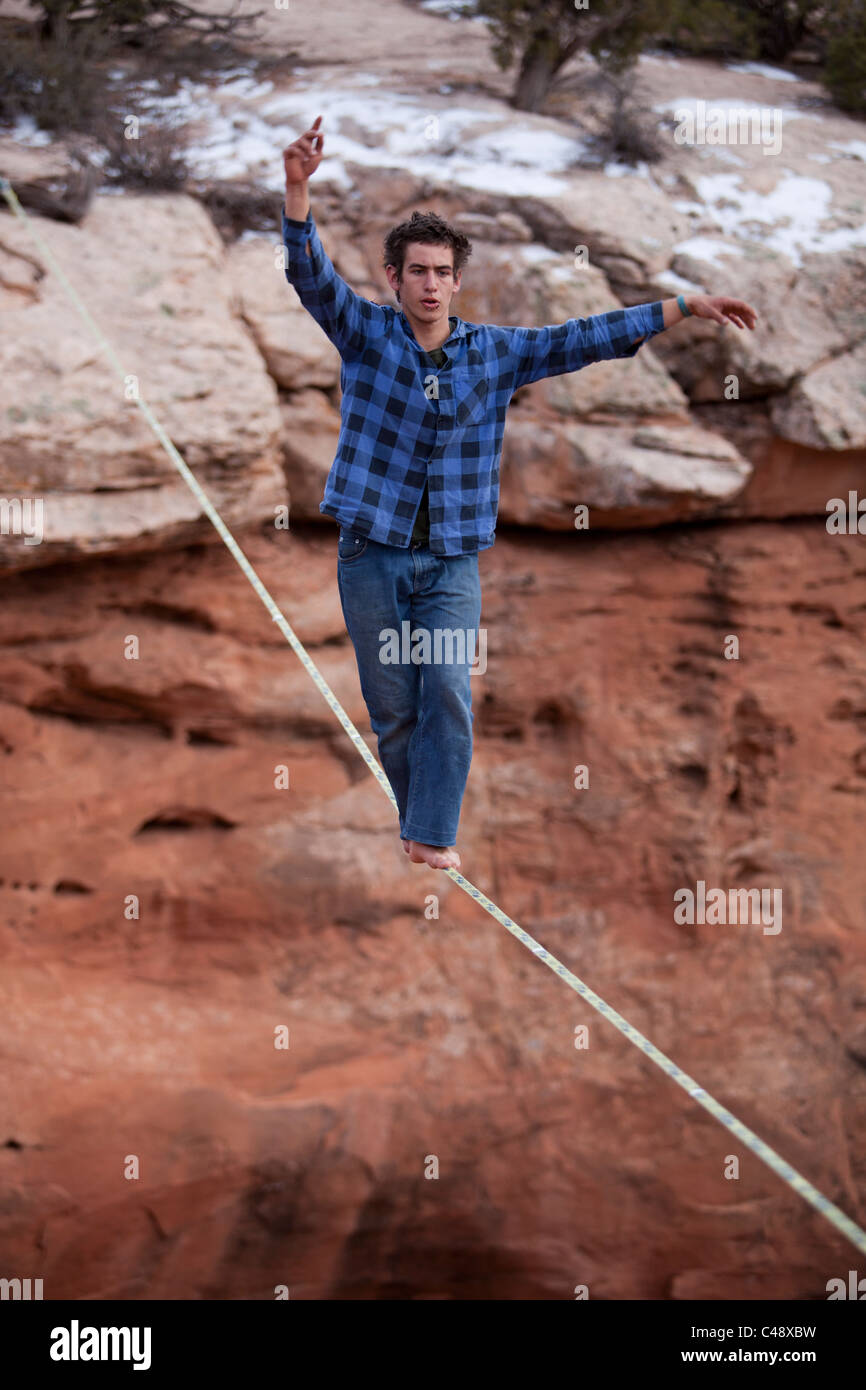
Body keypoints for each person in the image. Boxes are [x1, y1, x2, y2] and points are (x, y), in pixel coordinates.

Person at [281, 115, 757, 871]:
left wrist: (682, 307)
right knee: (395, 711)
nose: (431, 284)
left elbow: (583, 337)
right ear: (394, 280)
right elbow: (310, 275)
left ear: (457, 281)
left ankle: (433, 835)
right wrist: (298, 188)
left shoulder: (496, 353)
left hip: (451, 562)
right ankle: (418, 824)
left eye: (443, 272)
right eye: (418, 272)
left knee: (447, 693)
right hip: (371, 551)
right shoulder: (367, 335)